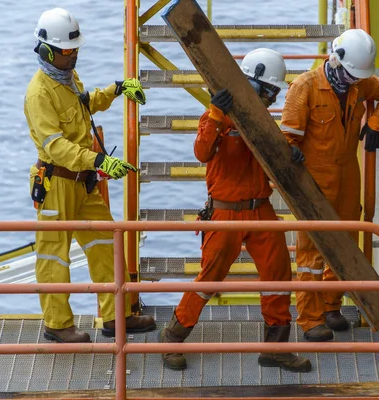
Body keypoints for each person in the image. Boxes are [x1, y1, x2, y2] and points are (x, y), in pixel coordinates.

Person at [158, 48, 311, 373]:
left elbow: (276, 154)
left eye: (274, 93)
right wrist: (215, 115)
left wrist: (292, 154)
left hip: (260, 209)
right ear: (252, 85)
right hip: (225, 213)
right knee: (209, 278)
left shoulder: (261, 122)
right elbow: (201, 153)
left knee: (278, 275)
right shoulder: (216, 116)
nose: (272, 99)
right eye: (268, 91)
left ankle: (276, 349)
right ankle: (171, 337)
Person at [24, 8, 155, 343]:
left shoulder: (67, 78)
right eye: (68, 51)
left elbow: (84, 104)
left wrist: (117, 88)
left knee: (107, 245)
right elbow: (55, 147)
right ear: (48, 51)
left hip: (83, 182)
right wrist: (100, 161)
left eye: (76, 49)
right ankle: (57, 324)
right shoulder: (39, 94)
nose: (74, 55)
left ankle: (117, 316)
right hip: (57, 184)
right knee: (54, 254)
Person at [281, 29, 379, 342]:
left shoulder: (359, 82)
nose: (353, 81)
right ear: (335, 60)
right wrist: (291, 155)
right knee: (313, 251)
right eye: (350, 74)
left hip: (348, 174)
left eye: (357, 77)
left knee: (345, 238)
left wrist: (375, 123)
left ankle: (332, 306)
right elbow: (287, 139)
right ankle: (310, 319)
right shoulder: (304, 88)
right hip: (314, 180)